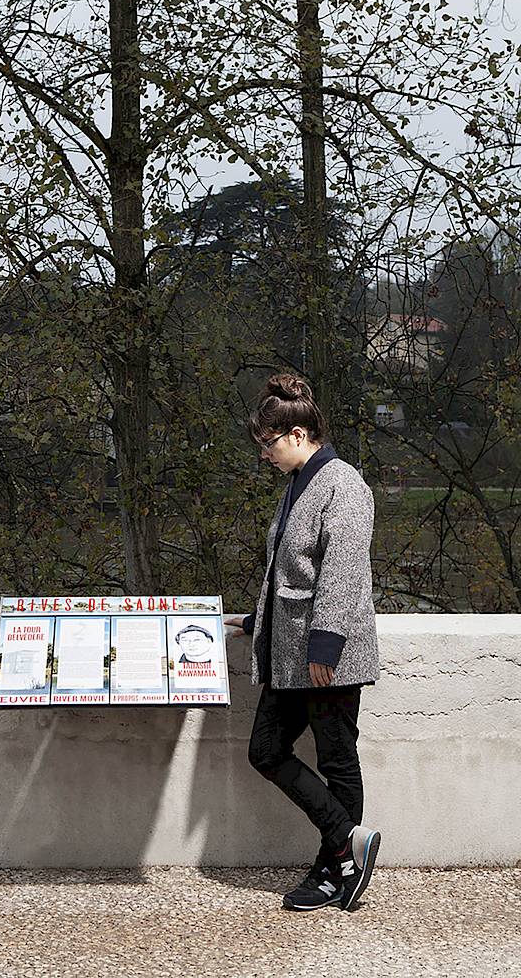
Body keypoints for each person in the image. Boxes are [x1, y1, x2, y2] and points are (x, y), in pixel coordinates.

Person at [225, 373, 381, 913]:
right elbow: (290, 572)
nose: (264, 455)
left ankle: (335, 871)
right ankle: (348, 842)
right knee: (266, 750)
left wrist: (325, 647)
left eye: (268, 444)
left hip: (327, 658)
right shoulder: (298, 484)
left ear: (297, 434)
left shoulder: (344, 485)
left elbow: (343, 571)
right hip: (290, 653)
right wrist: (257, 622)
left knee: (338, 760)